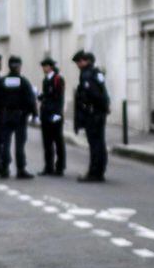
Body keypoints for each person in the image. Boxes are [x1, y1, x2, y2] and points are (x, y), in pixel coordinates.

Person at [74, 49, 111, 182]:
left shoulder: (87, 75)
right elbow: (103, 93)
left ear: (85, 61)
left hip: (93, 113)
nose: (77, 65)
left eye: (79, 62)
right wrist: (105, 107)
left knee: (95, 143)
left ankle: (94, 173)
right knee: (100, 142)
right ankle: (99, 171)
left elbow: (94, 94)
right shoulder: (97, 73)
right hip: (99, 112)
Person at [0, 56, 38, 179]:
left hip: (5, 116)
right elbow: (31, 99)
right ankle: (20, 169)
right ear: (19, 66)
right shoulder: (23, 81)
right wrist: (34, 114)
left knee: (5, 143)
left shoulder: (3, 81)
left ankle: (4, 168)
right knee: (19, 144)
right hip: (20, 116)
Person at [37, 55, 67, 177]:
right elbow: (47, 96)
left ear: (50, 67)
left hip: (54, 115)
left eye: (45, 66)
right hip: (45, 114)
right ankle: (48, 166)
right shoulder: (46, 80)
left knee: (58, 141)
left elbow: (59, 98)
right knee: (47, 142)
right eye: (43, 66)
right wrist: (40, 97)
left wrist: (57, 114)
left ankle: (59, 167)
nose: (44, 68)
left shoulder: (57, 79)